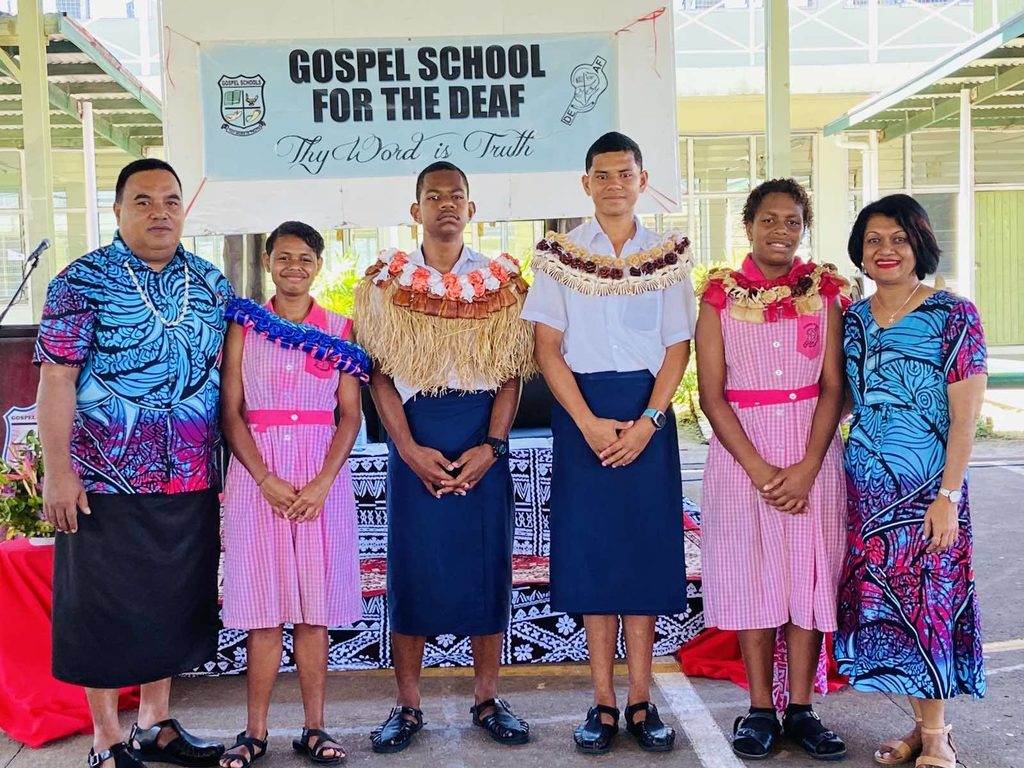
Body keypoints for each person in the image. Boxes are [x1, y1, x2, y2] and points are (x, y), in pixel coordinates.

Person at [34, 159, 228, 768]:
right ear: (117, 210)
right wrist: (57, 471)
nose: (159, 212)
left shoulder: (212, 283)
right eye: (143, 201)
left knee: (171, 603)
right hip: (102, 478)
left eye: (170, 200)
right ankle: (107, 737)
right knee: (104, 609)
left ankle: (155, 723)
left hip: (190, 474)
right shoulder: (80, 281)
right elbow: (57, 380)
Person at [353, 161, 535, 754]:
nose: (447, 204)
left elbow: (511, 373)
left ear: (471, 209)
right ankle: (408, 705)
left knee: (488, 567)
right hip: (416, 433)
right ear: (417, 211)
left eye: (457, 195)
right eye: (434, 196)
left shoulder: (502, 283)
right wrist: (406, 448)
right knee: (412, 569)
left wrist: (494, 446)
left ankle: (487, 698)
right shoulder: (385, 283)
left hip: (481, 435)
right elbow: (378, 375)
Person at [523, 131, 694, 755]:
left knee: (642, 556)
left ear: (642, 181)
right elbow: (547, 349)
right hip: (582, 416)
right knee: (593, 556)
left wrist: (649, 420)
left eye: (625, 174)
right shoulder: (558, 254)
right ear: (586, 183)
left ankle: (642, 701)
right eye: (603, 174)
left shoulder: (668, 253)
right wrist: (588, 422)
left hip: (648, 413)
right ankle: (601, 702)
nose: (614, 185)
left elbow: (678, 346)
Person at [695, 178, 850, 761]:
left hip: (813, 452)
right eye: (768, 219)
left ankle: (803, 708)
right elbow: (712, 395)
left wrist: (809, 465)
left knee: (808, 573)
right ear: (748, 225)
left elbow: (834, 386)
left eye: (792, 221)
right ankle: (760, 708)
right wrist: (760, 469)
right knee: (751, 574)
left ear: (803, 228)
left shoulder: (825, 293)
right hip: (743, 457)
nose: (780, 231)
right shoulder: (718, 296)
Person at [837, 194, 987, 768]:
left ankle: (937, 736)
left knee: (930, 606)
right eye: (874, 240)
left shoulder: (954, 314)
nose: (886, 250)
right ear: (859, 251)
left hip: (929, 491)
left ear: (919, 244)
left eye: (898, 239)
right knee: (891, 613)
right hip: (868, 496)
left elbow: (965, 418)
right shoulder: (852, 320)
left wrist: (948, 495)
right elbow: (844, 402)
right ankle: (922, 728)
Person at [217, 222, 371, 767]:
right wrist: (264, 478)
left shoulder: (340, 329)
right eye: (284, 257)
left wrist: (324, 481)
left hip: (318, 481)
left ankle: (314, 728)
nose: (294, 267)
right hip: (258, 477)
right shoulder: (243, 326)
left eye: (305, 258)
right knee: (264, 611)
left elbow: (349, 416)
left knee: (312, 612)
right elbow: (231, 412)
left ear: (319, 265)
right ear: (267, 261)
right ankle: (255, 732)